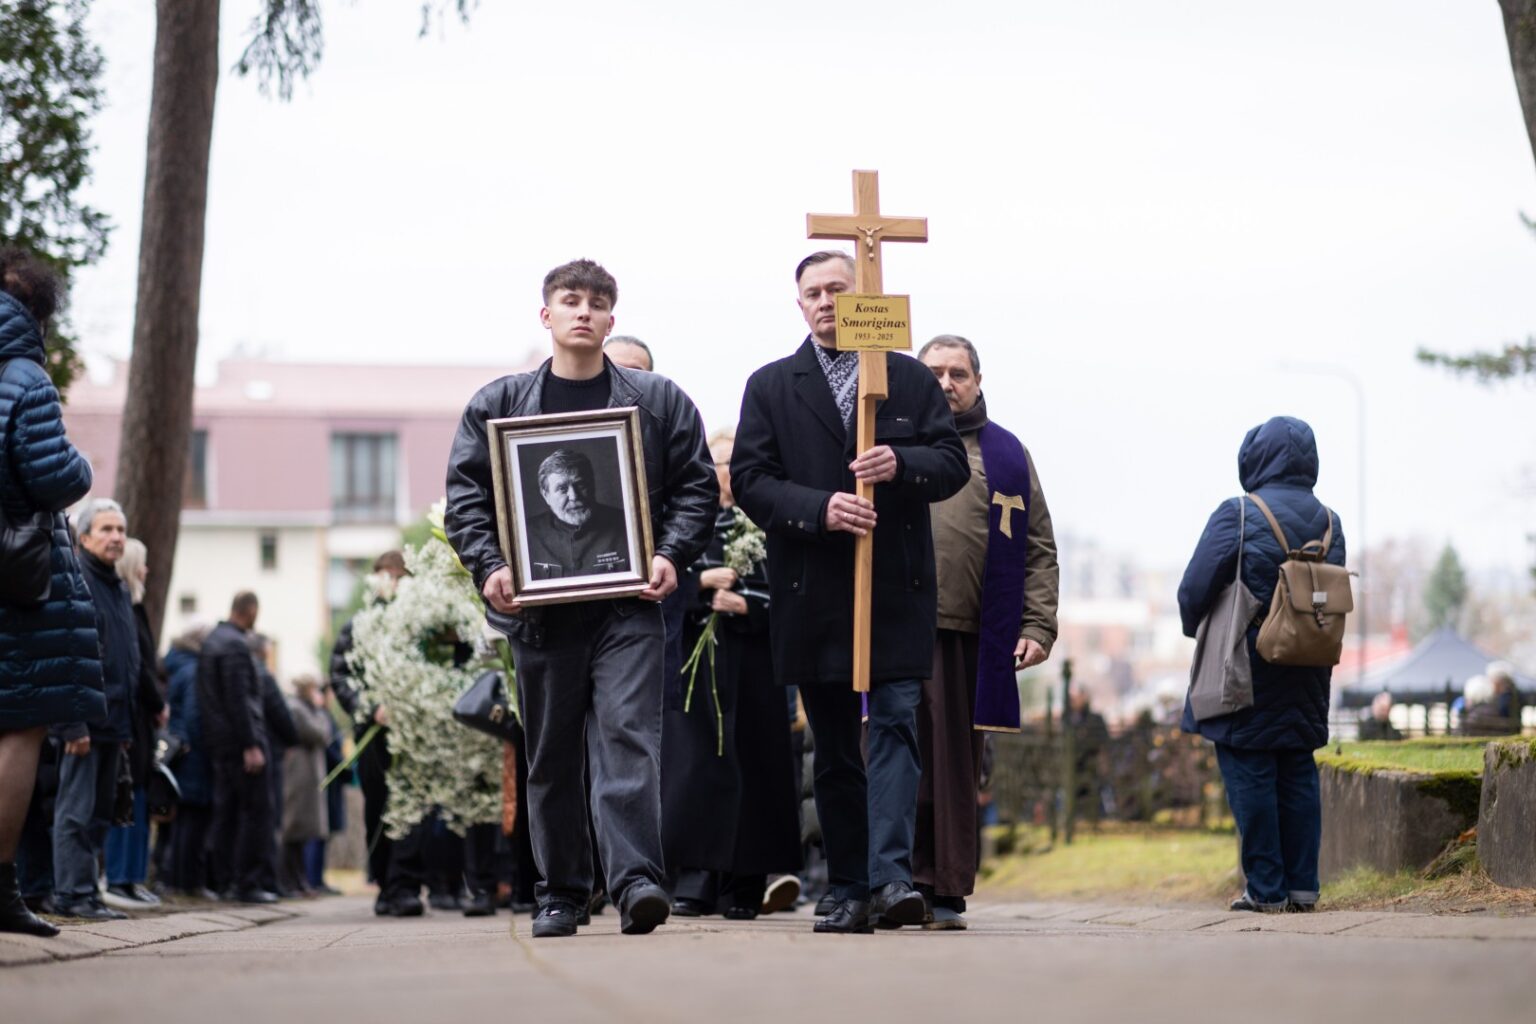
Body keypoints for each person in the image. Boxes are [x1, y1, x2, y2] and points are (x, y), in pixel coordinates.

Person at [446, 258, 716, 938]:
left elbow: (697, 487)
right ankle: (562, 892)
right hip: (539, 616)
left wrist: (668, 554)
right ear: (547, 315)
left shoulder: (657, 402)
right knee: (552, 754)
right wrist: (490, 567)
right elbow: (467, 499)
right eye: (570, 300)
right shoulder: (499, 405)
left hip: (628, 608)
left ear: (612, 319)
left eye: (597, 302)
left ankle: (636, 884)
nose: (584, 312)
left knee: (629, 739)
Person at [730, 250, 969, 933]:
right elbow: (751, 479)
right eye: (814, 292)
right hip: (813, 590)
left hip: (895, 587)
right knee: (834, 744)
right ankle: (848, 884)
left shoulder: (906, 378)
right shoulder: (772, 386)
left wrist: (900, 463)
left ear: (865, 294)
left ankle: (894, 880)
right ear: (799, 304)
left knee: (895, 724)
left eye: (840, 287)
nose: (827, 300)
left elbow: (950, 463)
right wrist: (821, 508)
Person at [915, 334, 1059, 929]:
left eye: (958, 374)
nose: (947, 384)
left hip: (973, 634)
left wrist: (1037, 623)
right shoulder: (889, 441)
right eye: (935, 374)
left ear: (978, 383)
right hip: (899, 629)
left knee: (952, 771)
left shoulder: (1006, 454)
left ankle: (944, 887)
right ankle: (889, 879)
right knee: (893, 760)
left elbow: (1039, 547)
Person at [1178, 415, 1346, 914]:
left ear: (1255, 457)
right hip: (1309, 663)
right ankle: (1304, 887)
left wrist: (1199, 628)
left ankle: (1266, 889)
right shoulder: (1330, 521)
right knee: (1296, 768)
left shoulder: (1240, 514)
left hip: (1245, 663)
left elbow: (1193, 588)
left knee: (1249, 767)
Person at [0, 248, 105, 937]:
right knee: (18, 730)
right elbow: (53, 475)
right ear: (37, 314)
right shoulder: (23, 376)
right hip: (18, 577)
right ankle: (0, 886)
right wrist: (85, 464)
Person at [662, 429, 802, 920]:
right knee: (699, 768)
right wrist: (700, 585)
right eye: (720, 462)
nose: (727, 472)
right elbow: (661, 582)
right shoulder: (688, 520)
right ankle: (696, 880)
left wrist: (747, 604)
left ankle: (747, 885)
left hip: (756, 664)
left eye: (734, 463)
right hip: (701, 664)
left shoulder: (768, 523)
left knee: (756, 768)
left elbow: (793, 592)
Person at [47, 498, 138, 922]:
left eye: (120, 530)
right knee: (75, 814)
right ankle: (71, 894)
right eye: (106, 529)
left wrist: (126, 726)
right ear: (83, 538)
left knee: (100, 815)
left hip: (113, 722)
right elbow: (66, 653)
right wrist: (72, 722)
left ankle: (90, 893)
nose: (116, 537)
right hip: (82, 722)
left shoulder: (117, 586)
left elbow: (125, 658)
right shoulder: (74, 579)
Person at [329, 550, 430, 917]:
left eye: (401, 578)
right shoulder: (359, 625)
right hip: (374, 729)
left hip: (414, 730)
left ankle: (406, 886)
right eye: (389, 577)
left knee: (412, 806)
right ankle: (386, 884)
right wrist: (371, 708)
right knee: (379, 805)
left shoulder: (422, 624)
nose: (395, 585)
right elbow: (340, 675)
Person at [199, 592, 278, 904]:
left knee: (228, 813)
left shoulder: (212, 641)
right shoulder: (235, 645)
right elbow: (239, 699)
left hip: (219, 742)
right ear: (251, 611)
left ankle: (225, 881)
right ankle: (246, 882)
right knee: (255, 812)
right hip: (238, 744)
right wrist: (252, 743)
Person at [103, 537, 168, 909]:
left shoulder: (134, 607)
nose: (146, 570)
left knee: (139, 795)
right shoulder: (127, 606)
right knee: (127, 796)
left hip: (140, 716)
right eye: (141, 564)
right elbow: (139, 665)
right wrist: (158, 702)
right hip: (134, 713)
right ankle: (119, 876)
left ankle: (131, 877)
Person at [525, 448, 631, 579]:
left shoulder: (627, 525)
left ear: (592, 485)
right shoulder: (527, 535)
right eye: (562, 489)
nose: (574, 496)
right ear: (546, 495)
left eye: (580, 485)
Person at [164, 622, 214, 897]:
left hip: (183, 751)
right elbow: (196, 715)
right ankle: (188, 882)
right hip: (194, 753)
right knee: (193, 819)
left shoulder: (178, 665)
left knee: (184, 819)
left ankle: (178, 879)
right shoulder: (194, 670)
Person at [281, 675, 331, 897]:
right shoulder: (298, 709)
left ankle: (300, 881)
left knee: (302, 832)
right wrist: (321, 711)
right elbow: (319, 733)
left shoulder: (304, 709)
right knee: (293, 827)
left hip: (308, 774)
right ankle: (290, 882)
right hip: (298, 774)